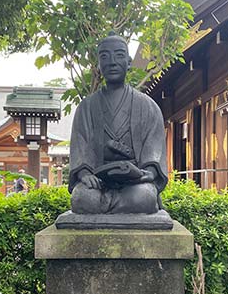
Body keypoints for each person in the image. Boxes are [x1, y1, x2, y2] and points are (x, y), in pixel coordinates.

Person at [68, 32, 168, 214]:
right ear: (98, 64)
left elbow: (154, 149)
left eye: (119, 55)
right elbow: (80, 147)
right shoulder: (86, 107)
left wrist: (149, 173)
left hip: (134, 183)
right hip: (98, 182)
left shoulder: (148, 106)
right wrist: (84, 174)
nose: (112, 62)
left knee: (143, 197)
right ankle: (113, 208)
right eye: (105, 57)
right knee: (81, 198)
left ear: (129, 62)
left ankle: (106, 208)